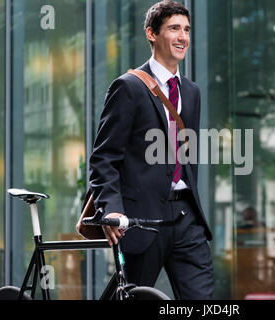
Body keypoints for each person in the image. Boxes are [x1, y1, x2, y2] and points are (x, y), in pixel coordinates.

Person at [88, 0, 214, 299]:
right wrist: (113, 209)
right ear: (151, 34)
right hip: (142, 218)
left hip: (186, 216)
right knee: (132, 296)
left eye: (186, 29)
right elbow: (104, 157)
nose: (183, 36)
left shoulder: (192, 92)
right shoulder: (129, 87)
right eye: (173, 28)